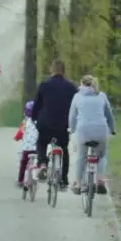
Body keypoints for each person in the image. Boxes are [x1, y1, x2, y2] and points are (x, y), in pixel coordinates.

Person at [31, 60, 77, 188]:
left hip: (45, 124)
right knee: (63, 148)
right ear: (64, 71)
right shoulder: (71, 87)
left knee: (41, 142)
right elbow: (75, 107)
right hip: (63, 125)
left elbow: (37, 105)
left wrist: (34, 118)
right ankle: (63, 180)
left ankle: (43, 164)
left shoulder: (44, 85)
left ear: (52, 70)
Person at [68, 74, 116, 195]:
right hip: (101, 130)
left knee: (81, 156)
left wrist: (71, 129)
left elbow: (72, 116)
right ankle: (100, 180)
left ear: (81, 84)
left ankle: (78, 184)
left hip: (83, 130)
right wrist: (112, 129)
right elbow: (109, 115)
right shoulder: (102, 96)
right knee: (102, 155)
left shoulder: (77, 97)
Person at [12, 100, 39, 187]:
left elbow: (20, 133)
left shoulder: (25, 122)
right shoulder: (40, 122)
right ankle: (37, 173)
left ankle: (20, 181)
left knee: (23, 163)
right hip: (38, 149)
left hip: (27, 149)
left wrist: (16, 138)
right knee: (39, 161)